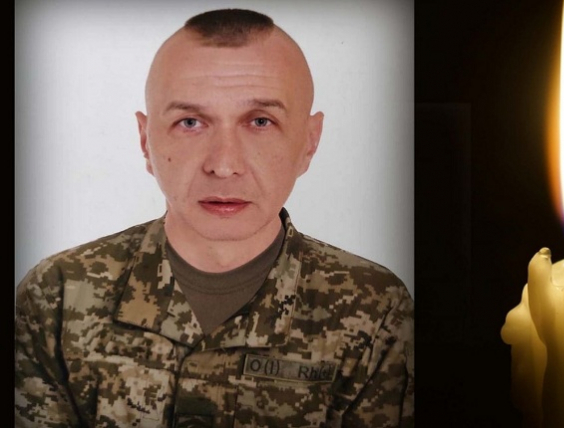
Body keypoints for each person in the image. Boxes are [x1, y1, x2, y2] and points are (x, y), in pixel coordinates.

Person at [15, 9, 414, 428]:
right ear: (146, 141)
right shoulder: (58, 295)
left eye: (260, 122)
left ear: (309, 143)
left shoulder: (376, 310)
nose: (224, 166)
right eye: (190, 122)